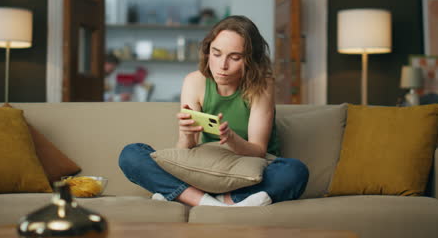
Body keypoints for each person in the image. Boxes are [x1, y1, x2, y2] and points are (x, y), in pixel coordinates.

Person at [118, 15, 309, 207]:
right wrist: (186, 134)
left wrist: (231, 139)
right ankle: (215, 202)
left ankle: (196, 198)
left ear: (251, 60)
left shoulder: (263, 84)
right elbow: (186, 150)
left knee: (295, 171)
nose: (222, 66)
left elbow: (258, 151)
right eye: (216, 54)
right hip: (208, 168)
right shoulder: (194, 81)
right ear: (208, 50)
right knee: (131, 154)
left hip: (252, 171)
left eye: (235, 58)